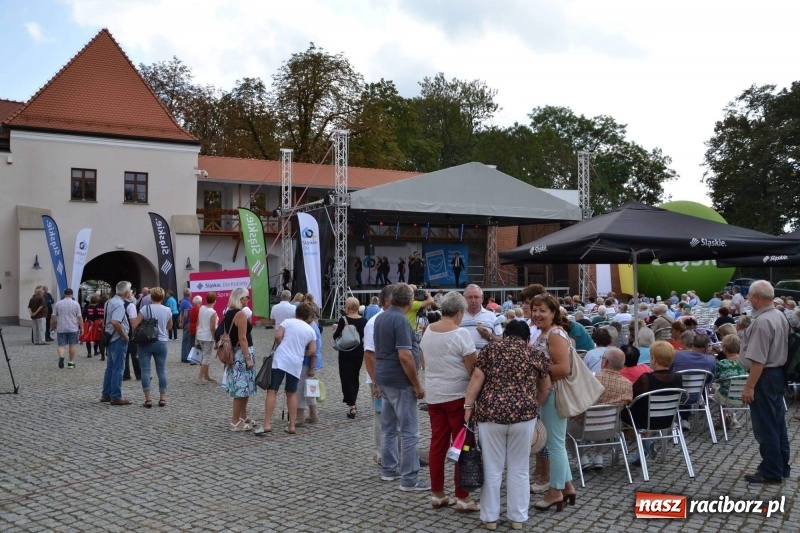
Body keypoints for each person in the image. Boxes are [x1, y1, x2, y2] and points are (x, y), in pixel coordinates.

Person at [463, 320, 551, 529]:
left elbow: (476, 377)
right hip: (523, 416)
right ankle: (517, 518)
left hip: (491, 413)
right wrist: (532, 405)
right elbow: (545, 387)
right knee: (519, 468)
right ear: (527, 337)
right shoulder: (534, 354)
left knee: (492, 467)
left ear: (505, 334)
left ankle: (490, 518)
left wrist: (468, 406)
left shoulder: (490, 350)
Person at [420, 291, 479, 512]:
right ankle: (462, 496)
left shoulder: (428, 332)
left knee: (438, 445)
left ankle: (437, 494)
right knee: (462, 445)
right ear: (459, 312)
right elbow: (473, 370)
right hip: (458, 397)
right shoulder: (461, 334)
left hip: (435, 395)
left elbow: (424, 364)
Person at [373, 283, 430, 492]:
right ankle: (410, 478)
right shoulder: (401, 320)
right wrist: (417, 384)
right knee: (409, 432)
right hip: (400, 381)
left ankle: (389, 469)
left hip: (384, 378)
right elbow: (405, 356)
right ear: (409, 301)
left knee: (388, 427)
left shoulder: (381, 317)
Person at [740, 280, 791, 483]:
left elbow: (758, 360)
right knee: (777, 422)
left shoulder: (762, 322)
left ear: (756, 297)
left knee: (766, 425)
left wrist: (749, 387)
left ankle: (771, 470)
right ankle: (781, 465)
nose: (749, 300)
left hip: (764, 376)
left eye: (750, 297)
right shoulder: (779, 315)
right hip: (776, 374)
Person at [530, 293, 577, 513]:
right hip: (548, 393)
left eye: (542, 310)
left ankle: (554, 492)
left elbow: (563, 368)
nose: (537, 314)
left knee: (554, 445)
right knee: (555, 443)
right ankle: (567, 487)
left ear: (553, 313)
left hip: (553, 394)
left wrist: (535, 372)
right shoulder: (545, 333)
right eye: (535, 310)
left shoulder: (555, 334)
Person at [572, 347, 633, 471]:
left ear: (605, 362)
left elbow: (578, 401)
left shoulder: (591, 379)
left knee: (566, 426)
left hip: (583, 430)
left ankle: (582, 457)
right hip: (610, 429)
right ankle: (598, 456)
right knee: (605, 416)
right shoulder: (627, 384)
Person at [623, 341, 683, 464]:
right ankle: (643, 448)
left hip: (646, 419)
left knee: (621, 417)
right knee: (646, 410)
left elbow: (631, 396)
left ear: (653, 359)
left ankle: (645, 442)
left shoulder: (646, 378)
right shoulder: (678, 377)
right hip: (668, 418)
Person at [263, 302, 317, 434]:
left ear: (296, 313)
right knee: (291, 393)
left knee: (272, 391)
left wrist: (280, 344)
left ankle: (267, 424)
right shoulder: (311, 330)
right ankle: (292, 425)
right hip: (296, 362)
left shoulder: (287, 322)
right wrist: (300, 352)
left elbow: (277, 336)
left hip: (280, 359)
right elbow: (312, 351)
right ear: (308, 316)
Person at [364, 284, 396, 465]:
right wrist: (376, 383)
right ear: (387, 301)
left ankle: (397, 453)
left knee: (395, 418)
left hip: (394, 379)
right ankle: (382, 455)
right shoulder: (374, 323)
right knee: (382, 417)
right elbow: (369, 354)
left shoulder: (396, 319)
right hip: (379, 380)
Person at [222, 288, 257, 431]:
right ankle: (235, 421)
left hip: (236, 353)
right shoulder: (240, 314)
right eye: (246, 297)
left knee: (245, 388)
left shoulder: (228, 312)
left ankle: (242, 416)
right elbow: (242, 338)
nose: (248, 299)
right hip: (242, 354)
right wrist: (248, 357)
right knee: (241, 388)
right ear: (241, 298)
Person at [101, 281, 140, 406]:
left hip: (109, 336)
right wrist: (124, 336)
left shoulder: (109, 301)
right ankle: (116, 396)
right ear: (127, 292)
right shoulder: (119, 304)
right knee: (118, 368)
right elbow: (115, 322)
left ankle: (106, 394)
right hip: (117, 338)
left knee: (110, 367)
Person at [134, 287, 173, 408]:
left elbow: (135, 324)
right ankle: (162, 398)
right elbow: (170, 326)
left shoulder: (145, 308)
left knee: (145, 370)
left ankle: (148, 399)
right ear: (162, 297)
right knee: (161, 370)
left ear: (151, 297)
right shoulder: (167, 310)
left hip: (145, 342)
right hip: (161, 342)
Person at [334, 297, 368, 419]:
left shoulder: (343, 320)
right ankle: (353, 400)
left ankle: (351, 404)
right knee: (355, 376)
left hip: (345, 353)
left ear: (347, 307)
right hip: (358, 352)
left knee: (345, 377)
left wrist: (335, 328)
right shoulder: (364, 320)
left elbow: (336, 336)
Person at [712, 334, 746, 428]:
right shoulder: (746, 361)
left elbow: (716, 379)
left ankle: (724, 418)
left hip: (727, 396)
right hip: (744, 395)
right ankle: (727, 417)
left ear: (725, 349)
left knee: (717, 389)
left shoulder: (722, 364)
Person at [296, 318, 323, 427]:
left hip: (308, 363)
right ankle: (313, 414)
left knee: (301, 389)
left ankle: (300, 417)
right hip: (312, 363)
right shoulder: (314, 326)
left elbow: (314, 351)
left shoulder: (311, 329)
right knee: (310, 389)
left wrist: (311, 367)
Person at [460, 284, 504, 353]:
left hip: (486, 362)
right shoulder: (458, 316)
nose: (473, 300)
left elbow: (501, 341)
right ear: (463, 299)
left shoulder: (491, 316)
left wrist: (489, 336)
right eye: (469, 297)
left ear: (482, 299)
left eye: (476, 297)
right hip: (462, 362)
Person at [52, 288, 83, 369]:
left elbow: (53, 316)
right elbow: (79, 317)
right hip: (73, 327)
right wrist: (82, 328)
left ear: (64, 294)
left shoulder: (58, 304)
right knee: (72, 345)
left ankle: (61, 356)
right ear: (72, 294)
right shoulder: (76, 304)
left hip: (61, 327)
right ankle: (71, 363)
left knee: (61, 345)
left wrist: (52, 326)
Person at [195, 292, 219, 384]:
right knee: (207, 357)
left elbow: (198, 322)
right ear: (215, 300)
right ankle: (200, 378)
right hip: (207, 337)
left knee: (204, 356)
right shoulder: (213, 312)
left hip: (200, 334)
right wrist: (216, 341)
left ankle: (206, 375)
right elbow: (213, 328)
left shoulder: (201, 308)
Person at [179, 289, 193, 362]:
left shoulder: (183, 301)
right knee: (187, 341)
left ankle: (184, 356)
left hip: (186, 323)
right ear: (189, 294)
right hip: (187, 323)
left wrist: (181, 322)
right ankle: (186, 357)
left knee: (185, 340)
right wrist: (183, 323)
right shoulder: (187, 303)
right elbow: (185, 315)